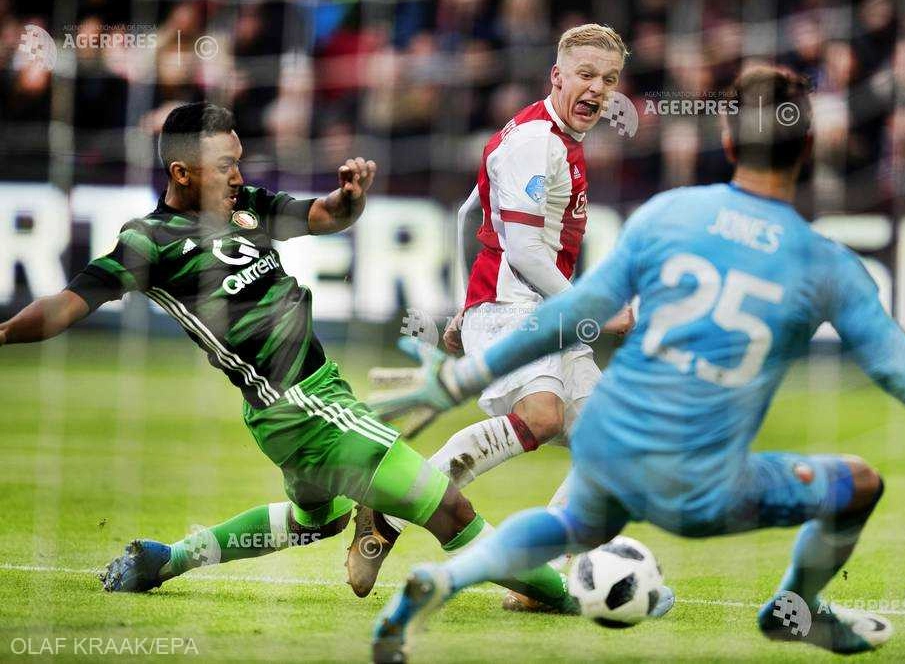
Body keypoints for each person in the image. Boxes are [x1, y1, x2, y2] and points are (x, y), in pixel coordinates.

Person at [367, 65, 905, 661]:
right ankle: (797, 606)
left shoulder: (668, 214)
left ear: (726, 140)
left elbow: (574, 307)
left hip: (614, 441)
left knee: (569, 519)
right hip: (703, 481)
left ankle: (444, 576)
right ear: (809, 148)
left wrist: (458, 377)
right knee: (860, 482)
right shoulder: (827, 264)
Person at [0, 102, 574, 612]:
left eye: (238, 160)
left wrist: (350, 198)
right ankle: (574, 597)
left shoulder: (246, 207)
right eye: (225, 164)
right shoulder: (150, 242)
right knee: (449, 511)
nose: (237, 175)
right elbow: (67, 304)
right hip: (303, 407)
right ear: (181, 172)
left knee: (313, 523)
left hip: (300, 401)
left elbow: (324, 217)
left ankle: (165, 559)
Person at [347, 23, 637, 611]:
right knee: (543, 414)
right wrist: (594, 308)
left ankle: (542, 576)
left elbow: (466, 213)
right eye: (585, 75)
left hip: (532, 311)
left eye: (609, 81)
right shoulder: (536, 141)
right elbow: (527, 252)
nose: (597, 90)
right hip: (515, 308)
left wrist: (462, 305)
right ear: (557, 75)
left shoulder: (548, 135)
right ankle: (388, 505)